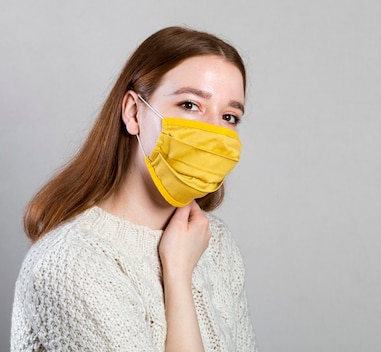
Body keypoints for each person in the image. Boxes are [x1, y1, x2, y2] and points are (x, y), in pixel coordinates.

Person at [11, 26, 257, 352]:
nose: (214, 131)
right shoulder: (70, 263)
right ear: (133, 112)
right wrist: (178, 274)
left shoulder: (215, 242)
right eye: (189, 105)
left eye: (229, 116)